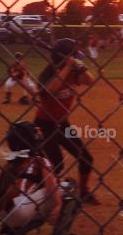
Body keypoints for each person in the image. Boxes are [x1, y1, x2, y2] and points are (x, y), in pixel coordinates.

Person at [0, 122, 83, 235]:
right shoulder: (39, 160)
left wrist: (10, 198)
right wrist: (57, 205)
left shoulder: (8, 165)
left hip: (4, 216)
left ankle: (12, 233)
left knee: (34, 200)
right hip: (22, 209)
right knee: (70, 186)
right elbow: (52, 186)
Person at [34, 38, 98, 203]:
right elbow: (49, 90)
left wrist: (80, 67)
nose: (77, 58)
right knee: (56, 163)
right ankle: (40, 191)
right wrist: (67, 67)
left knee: (86, 158)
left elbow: (90, 80)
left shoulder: (72, 72)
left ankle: (84, 191)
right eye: (74, 56)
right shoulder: (46, 74)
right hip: (44, 125)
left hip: (62, 124)